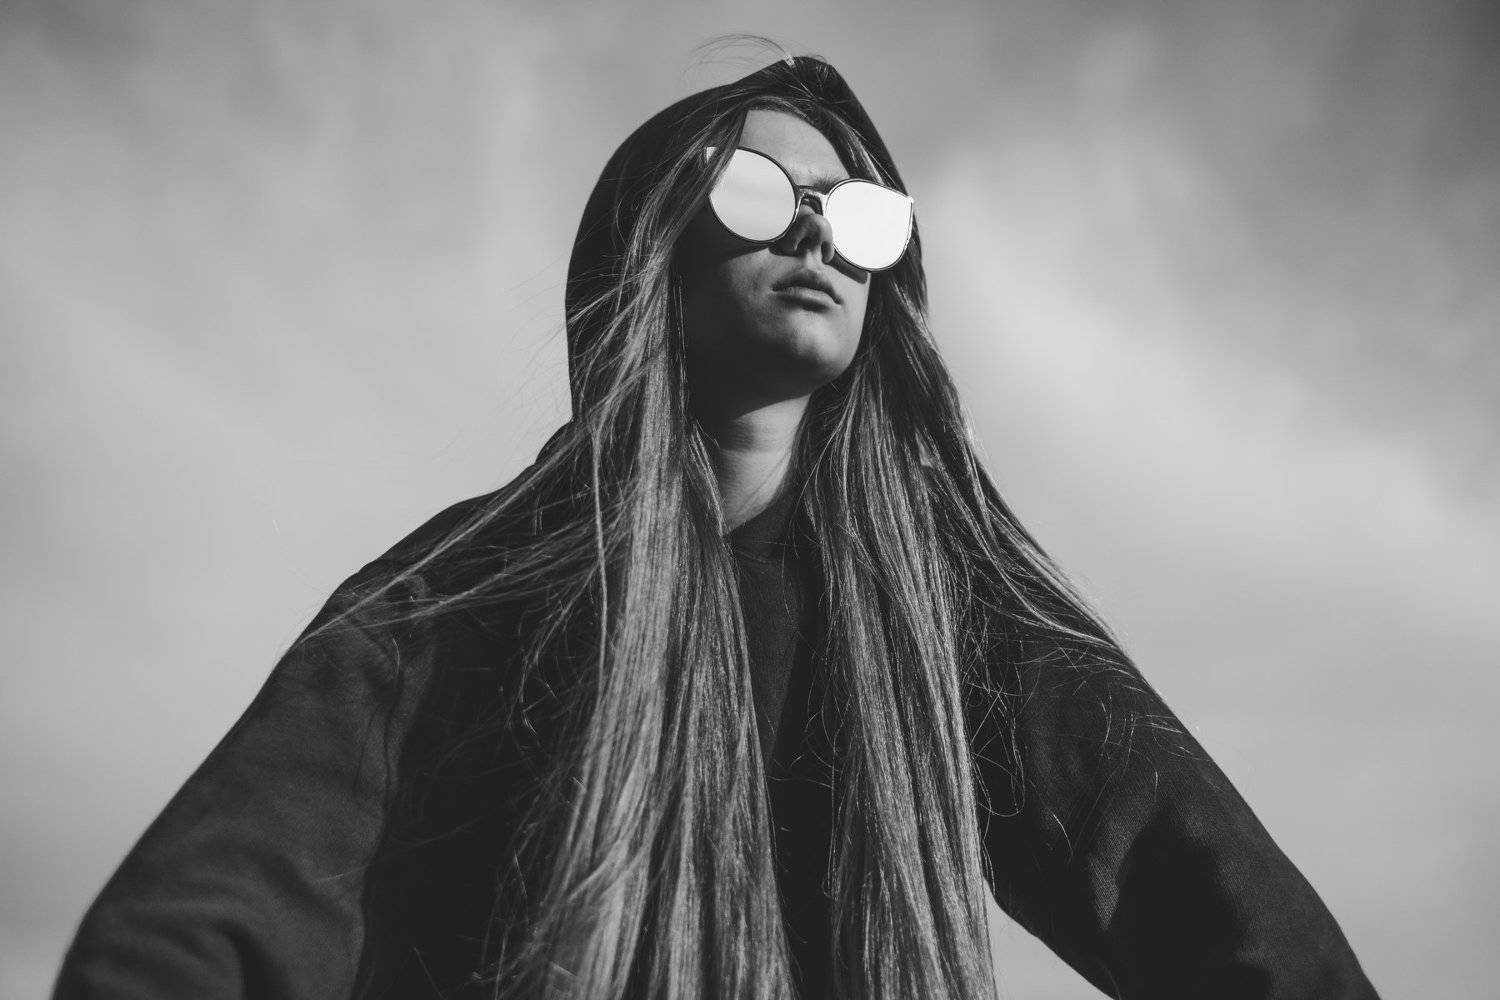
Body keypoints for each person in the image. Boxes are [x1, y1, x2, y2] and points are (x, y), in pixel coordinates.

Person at [52, 52, 1381, 1000]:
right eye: (757, 193)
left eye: (856, 213)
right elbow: (195, 930)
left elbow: (1225, 909)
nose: (817, 234)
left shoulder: (952, 614)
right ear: (656, 244)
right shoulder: (458, 593)